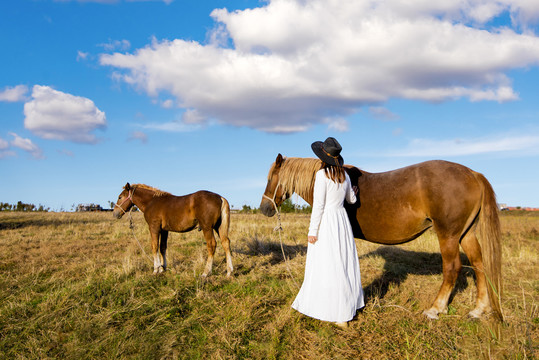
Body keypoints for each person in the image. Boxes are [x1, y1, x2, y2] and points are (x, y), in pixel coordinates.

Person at [291, 137, 364, 328]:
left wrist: (312, 231)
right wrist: (354, 191)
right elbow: (351, 201)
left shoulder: (321, 176)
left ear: (323, 157)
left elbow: (319, 207)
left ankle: (333, 309)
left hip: (328, 222)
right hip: (342, 221)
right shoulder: (345, 177)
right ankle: (346, 308)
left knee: (328, 265)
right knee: (343, 263)